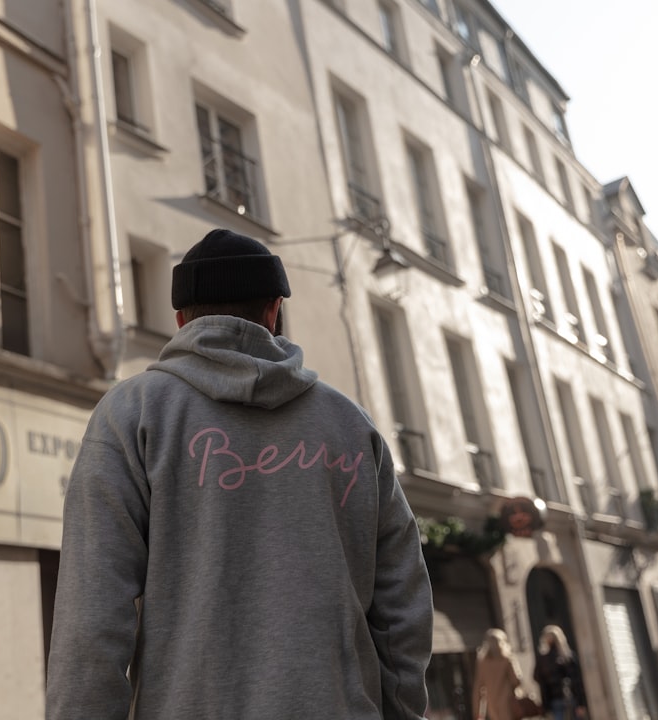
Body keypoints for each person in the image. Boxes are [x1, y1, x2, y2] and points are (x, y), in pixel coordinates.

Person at [46, 228, 434, 720]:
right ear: (274, 310)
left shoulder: (132, 414)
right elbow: (403, 604)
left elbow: (91, 619)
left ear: (181, 319)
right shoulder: (349, 427)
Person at [533, 625, 586, 720]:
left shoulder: (543, 659)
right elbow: (576, 681)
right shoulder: (568, 657)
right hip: (568, 697)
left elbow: (537, 677)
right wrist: (581, 703)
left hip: (555, 699)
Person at [472, 629, 526, 720]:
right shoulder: (507, 659)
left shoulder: (482, 663)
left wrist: (478, 712)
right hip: (508, 702)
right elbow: (516, 681)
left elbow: (478, 687)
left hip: (492, 704)